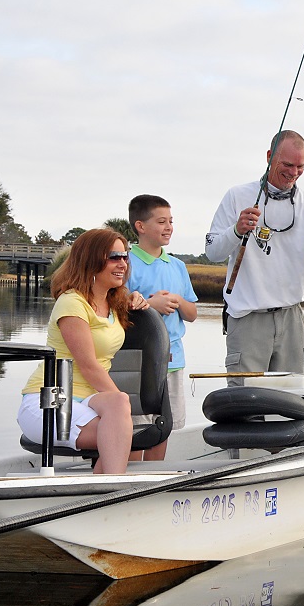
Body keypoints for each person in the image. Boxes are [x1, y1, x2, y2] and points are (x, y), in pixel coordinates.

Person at [205, 130, 304, 386]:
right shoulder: (236, 196)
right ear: (269, 157)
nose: (293, 172)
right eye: (287, 164)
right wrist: (236, 230)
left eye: (300, 166)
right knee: (245, 399)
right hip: (247, 317)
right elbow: (212, 251)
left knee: (290, 398)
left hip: (291, 318)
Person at [16, 229, 150, 474]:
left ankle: (106, 488)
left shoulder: (114, 303)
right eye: (114, 257)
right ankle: (113, 489)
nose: (123, 263)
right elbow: (88, 366)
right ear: (90, 260)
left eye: (125, 257)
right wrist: (124, 415)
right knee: (120, 432)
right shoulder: (72, 302)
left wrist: (136, 298)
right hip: (51, 400)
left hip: (89, 400)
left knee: (119, 419)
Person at [127, 194, 198, 460]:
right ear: (140, 226)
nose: (169, 227)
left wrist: (178, 300)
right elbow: (113, 308)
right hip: (138, 363)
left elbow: (192, 314)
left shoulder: (177, 266)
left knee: (162, 427)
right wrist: (151, 304)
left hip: (173, 360)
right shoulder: (126, 263)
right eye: (161, 222)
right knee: (135, 429)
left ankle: (155, 476)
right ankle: (130, 478)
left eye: (171, 221)